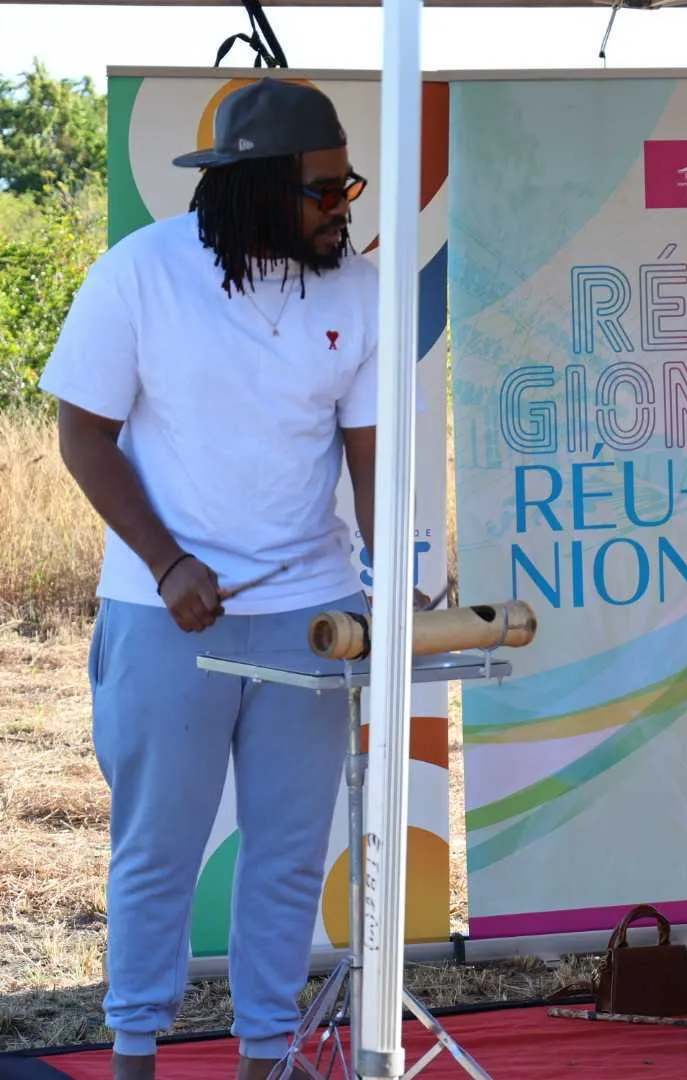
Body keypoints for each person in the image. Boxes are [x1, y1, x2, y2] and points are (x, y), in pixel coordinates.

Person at [39, 78, 419, 1080]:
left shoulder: (361, 289)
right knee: (156, 848)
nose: (344, 209)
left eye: (348, 187)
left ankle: (264, 1057)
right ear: (254, 189)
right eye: (324, 192)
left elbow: (372, 459)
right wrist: (167, 563)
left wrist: (393, 577)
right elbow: (83, 434)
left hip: (312, 616)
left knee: (290, 854)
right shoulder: (140, 273)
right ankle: (134, 1052)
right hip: (165, 613)